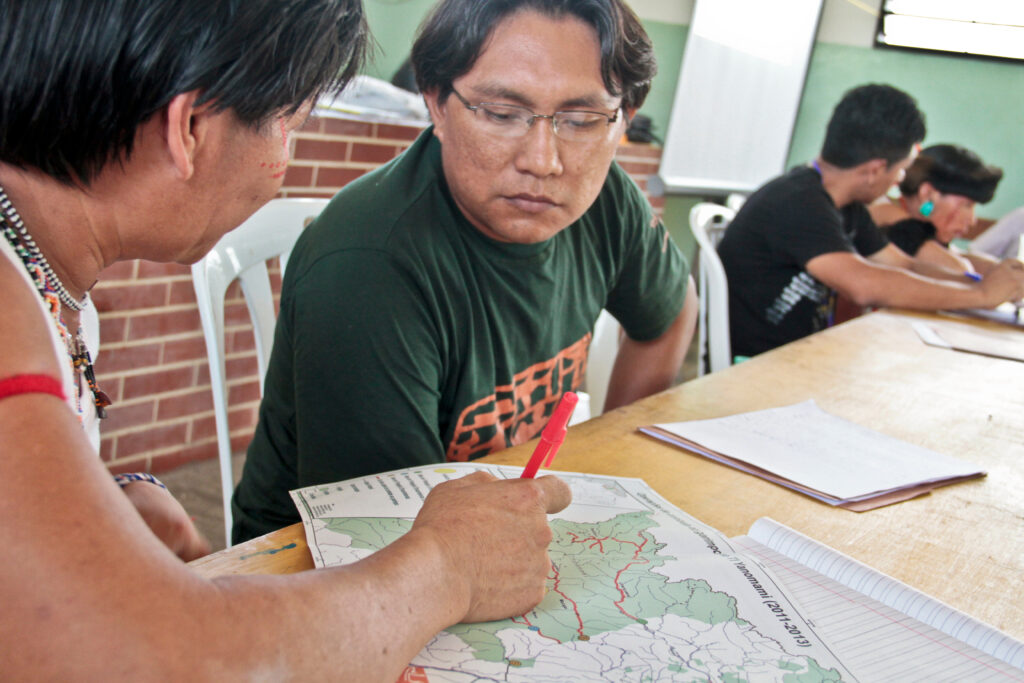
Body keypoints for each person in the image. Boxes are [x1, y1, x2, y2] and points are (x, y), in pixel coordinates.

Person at [0, 1, 572, 679]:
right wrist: (446, 569)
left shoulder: (39, 277)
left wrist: (85, 506)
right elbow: (164, 660)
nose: (285, 164)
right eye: (286, 126)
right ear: (190, 128)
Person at [233, 0, 698, 543]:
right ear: (436, 103)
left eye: (581, 120)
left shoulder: (606, 200)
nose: (544, 160)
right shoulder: (368, 267)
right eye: (502, 113)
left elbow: (672, 310)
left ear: (624, 123)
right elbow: (389, 543)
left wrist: (612, 479)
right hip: (328, 569)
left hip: (496, 525)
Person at [718, 84, 1024, 358]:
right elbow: (864, 284)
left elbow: (903, 266)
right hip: (755, 364)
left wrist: (987, 283)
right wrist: (980, 296)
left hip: (800, 355)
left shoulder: (846, 206)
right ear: (875, 170)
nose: (900, 180)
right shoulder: (797, 201)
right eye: (902, 170)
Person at [869, 144, 1005, 275]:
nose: (972, 220)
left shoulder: (921, 228)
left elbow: (957, 256)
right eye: (967, 205)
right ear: (927, 193)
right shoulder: (885, 213)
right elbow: (958, 270)